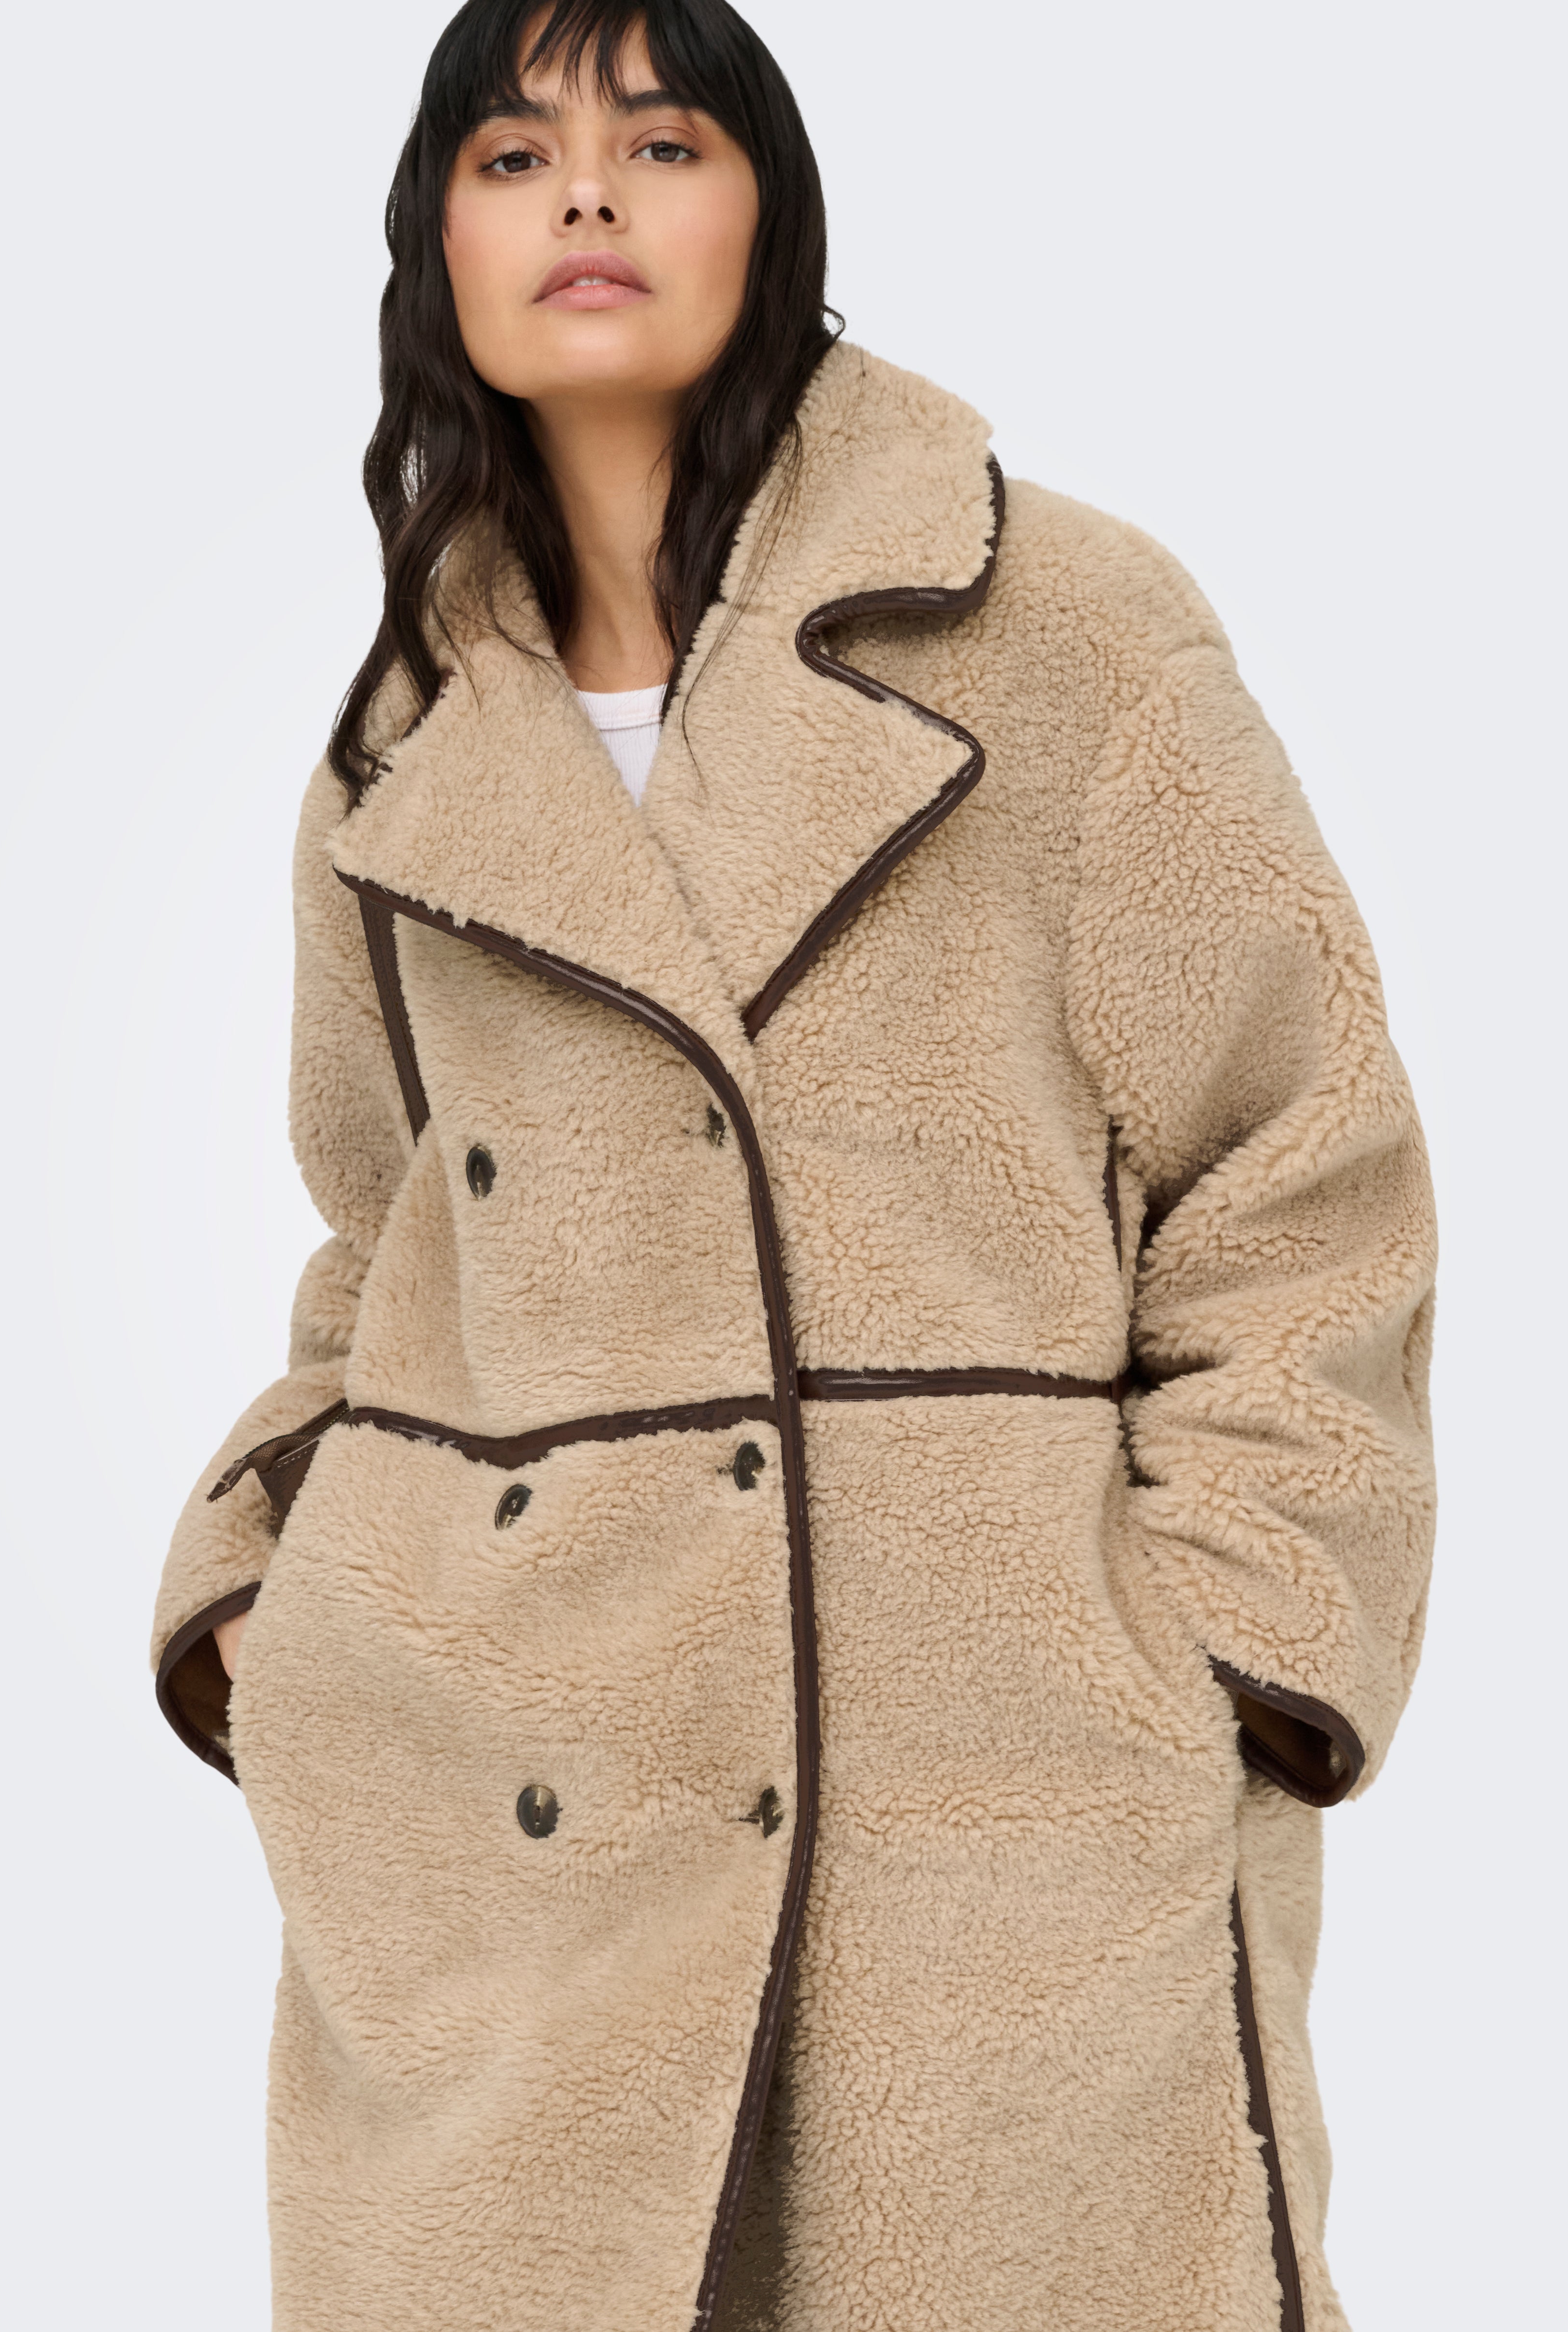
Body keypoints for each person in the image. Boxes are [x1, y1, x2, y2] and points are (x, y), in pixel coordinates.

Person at [150, 4, 1436, 2327]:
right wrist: (277, 1594)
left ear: (775, 211)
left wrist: (1223, 1651)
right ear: (435, 245)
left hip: (991, 1821)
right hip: (527, 1823)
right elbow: (383, 1233)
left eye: (661, 141)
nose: (584, 193)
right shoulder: (402, 745)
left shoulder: (1061, 632)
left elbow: (1295, 1168)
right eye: (511, 154)